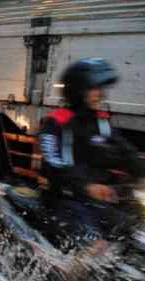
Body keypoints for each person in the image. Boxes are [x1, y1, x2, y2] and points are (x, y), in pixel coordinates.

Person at [38, 57, 129, 246]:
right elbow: (54, 163)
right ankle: (67, 275)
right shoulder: (55, 122)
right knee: (97, 248)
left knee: (132, 231)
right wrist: (87, 187)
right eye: (94, 89)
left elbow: (126, 153)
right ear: (78, 91)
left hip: (95, 202)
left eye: (100, 89)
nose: (100, 94)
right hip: (65, 199)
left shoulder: (100, 122)